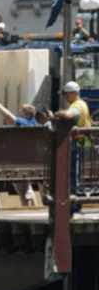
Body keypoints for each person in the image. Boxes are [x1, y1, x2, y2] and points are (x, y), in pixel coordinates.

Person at [0, 94, 43, 206]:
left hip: (20, 161)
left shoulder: (24, 123)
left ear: (26, 114)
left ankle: (27, 211)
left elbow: (8, 116)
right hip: (30, 160)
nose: (19, 113)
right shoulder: (34, 123)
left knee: (22, 191)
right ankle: (34, 208)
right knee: (27, 186)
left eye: (21, 111)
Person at [54, 80, 91, 212]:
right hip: (82, 144)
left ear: (71, 93)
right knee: (76, 175)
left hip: (77, 145)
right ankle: (76, 204)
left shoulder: (76, 106)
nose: (63, 97)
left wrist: (56, 114)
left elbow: (68, 115)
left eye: (64, 94)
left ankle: (74, 206)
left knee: (73, 175)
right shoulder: (83, 105)